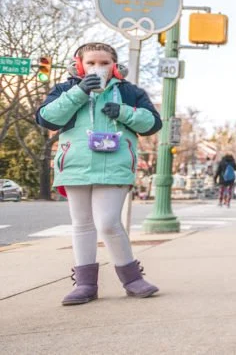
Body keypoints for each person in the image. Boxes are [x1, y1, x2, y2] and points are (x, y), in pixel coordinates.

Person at [35, 42, 162, 306]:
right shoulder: (65, 89)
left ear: (114, 65)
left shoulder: (129, 91)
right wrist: (79, 92)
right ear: (79, 65)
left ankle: (132, 278)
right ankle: (85, 285)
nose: (98, 68)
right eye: (91, 63)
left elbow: (152, 123)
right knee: (81, 224)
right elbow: (47, 118)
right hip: (75, 165)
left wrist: (124, 112)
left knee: (107, 222)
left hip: (114, 165)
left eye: (104, 63)